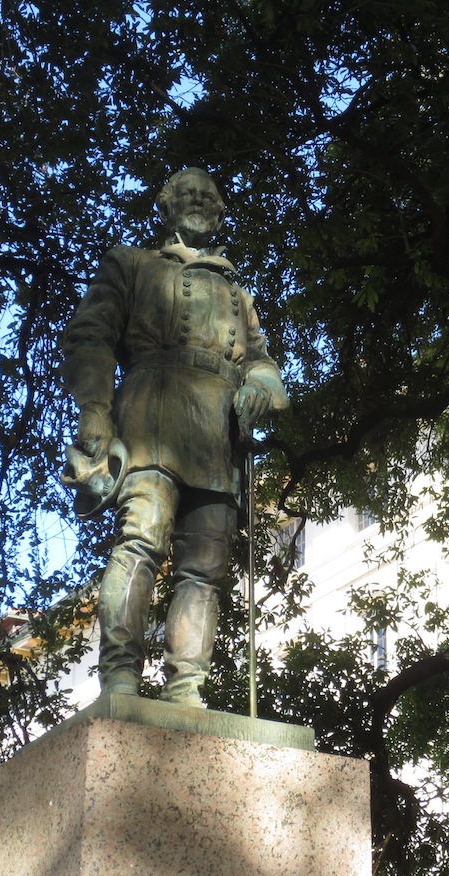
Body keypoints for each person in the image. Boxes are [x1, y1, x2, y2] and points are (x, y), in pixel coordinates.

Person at [60, 168, 288, 707]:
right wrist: (95, 410)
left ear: (221, 211)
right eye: (186, 194)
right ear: (164, 206)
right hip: (150, 419)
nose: (198, 202)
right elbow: (90, 336)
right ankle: (120, 678)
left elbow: (263, 363)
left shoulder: (237, 292)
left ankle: (187, 686)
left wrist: (259, 385)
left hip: (216, 435)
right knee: (141, 540)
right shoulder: (132, 264)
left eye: (208, 195)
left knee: (205, 569)